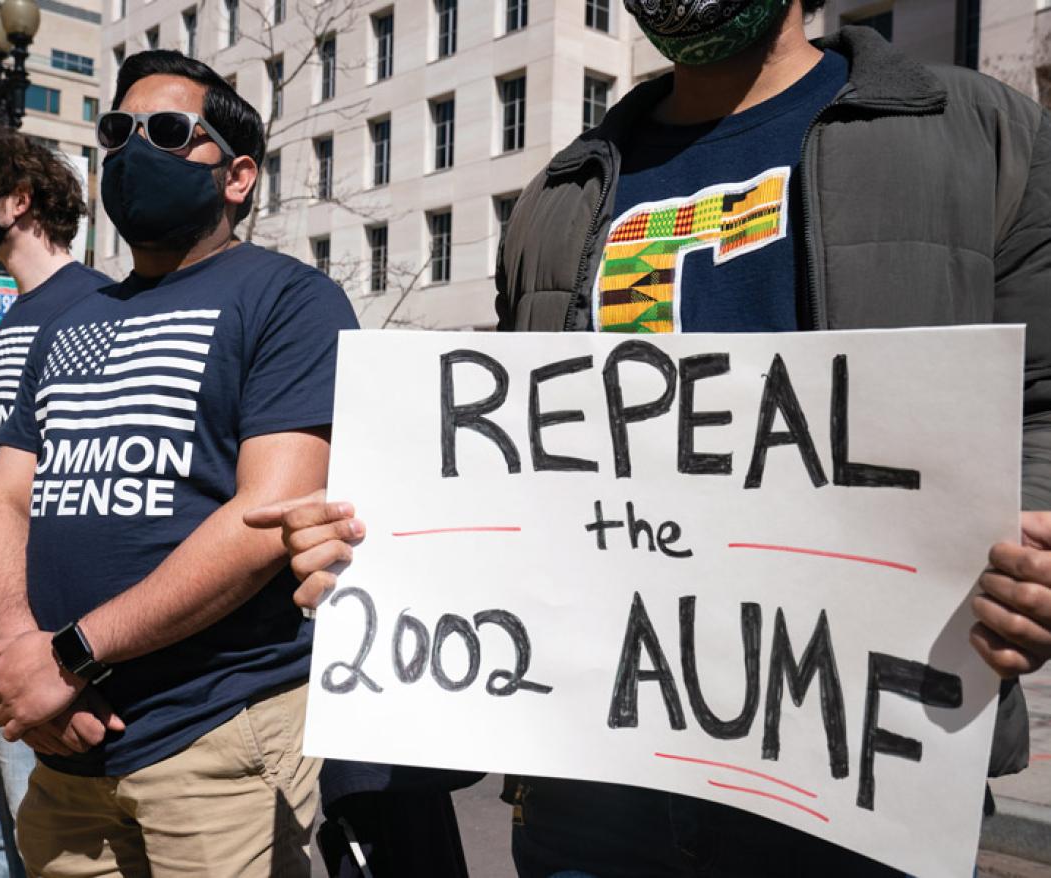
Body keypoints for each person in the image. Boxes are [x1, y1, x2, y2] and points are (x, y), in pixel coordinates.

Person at [248, 1, 1051, 875]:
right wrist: (377, 540)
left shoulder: (980, 134)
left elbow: (1039, 403)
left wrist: (1036, 545)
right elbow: (509, 468)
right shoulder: (563, 192)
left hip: (864, 777)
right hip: (588, 795)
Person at [0, 50, 358, 877]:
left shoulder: (291, 299)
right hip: (63, 748)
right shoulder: (70, 317)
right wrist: (21, 662)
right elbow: (6, 501)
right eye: (119, 131)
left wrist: (66, 655)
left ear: (238, 176)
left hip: (215, 740)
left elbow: (264, 518)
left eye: (171, 132)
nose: (135, 149)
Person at [0, 125, 113, 878]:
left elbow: (87, 464)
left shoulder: (95, 305)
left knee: (31, 808)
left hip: (23, 611)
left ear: (20, 199)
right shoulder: (10, 321)